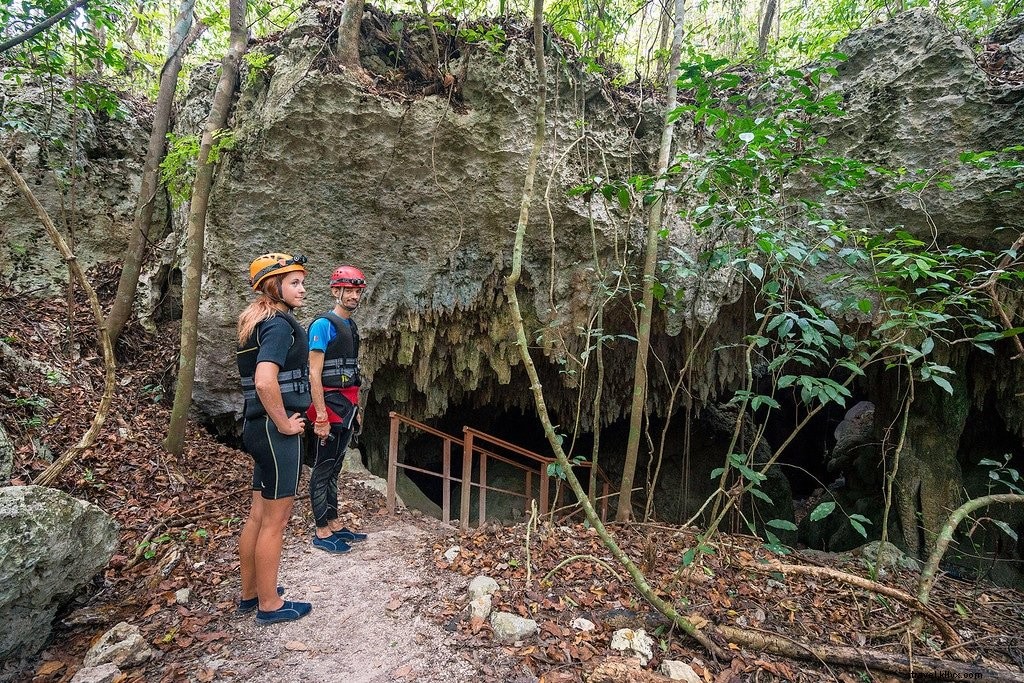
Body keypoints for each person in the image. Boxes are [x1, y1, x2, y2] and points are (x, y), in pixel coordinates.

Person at [235, 252, 313, 625]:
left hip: (253, 428)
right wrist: (284, 423)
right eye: (294, 282)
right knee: (275, 521)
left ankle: (251, 594)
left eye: (301, 281)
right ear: (273, 285)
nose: (302, 288)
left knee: (257, 515)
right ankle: (270, 605)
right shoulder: (280, 324)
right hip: (273, 432)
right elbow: (266, 380)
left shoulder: (255, 322)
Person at [306, 265, 370, 553]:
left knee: (335, 468)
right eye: (349, 290)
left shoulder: (351, 327)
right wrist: (320, 416)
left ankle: (333, 523)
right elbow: (314, 374)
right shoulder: (322, 325)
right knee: (322, 468)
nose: (354, 296)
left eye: (358, 291)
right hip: (328, 407)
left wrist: (356, 409)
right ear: (335, 291)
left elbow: (352, 372)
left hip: (346, 405)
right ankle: (320, 531)